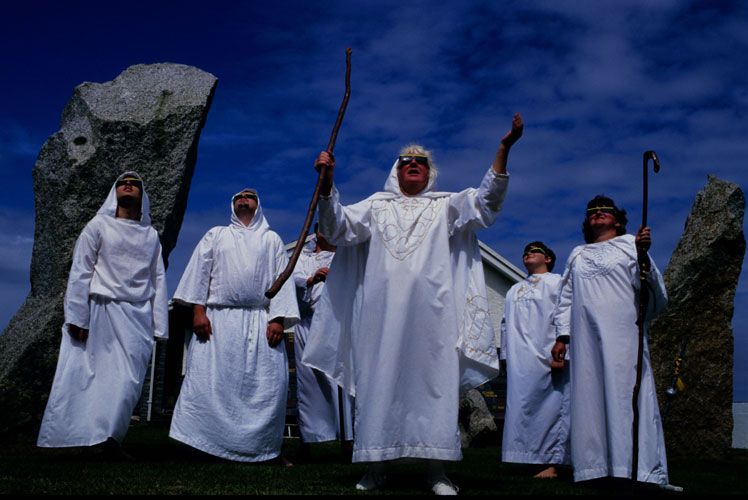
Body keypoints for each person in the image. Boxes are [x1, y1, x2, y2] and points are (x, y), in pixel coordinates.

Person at [303, 113, 524, 495]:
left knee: (432, 384)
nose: (414, 166)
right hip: (381, 313)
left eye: (421, 162)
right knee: (378, 381)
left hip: (433, 313)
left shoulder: (445, 205)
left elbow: (485, 205)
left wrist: (504, 148)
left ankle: (437, 470)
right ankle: (375, 465)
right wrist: (327, 185)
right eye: (407, 162)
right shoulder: (375, 205)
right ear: (396, 171)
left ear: (430, 173)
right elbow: (337, 228)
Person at [37, 172, 169, 457]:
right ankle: (74, 439)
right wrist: (77, 316)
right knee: (87, 376)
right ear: (115, 191)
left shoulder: (150, 236)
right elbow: (81, 271)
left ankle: (109, 439)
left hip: (137, 315)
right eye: (123, 182)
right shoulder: (98, 226)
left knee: (127, 381)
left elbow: (158, 279)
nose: (128, 184)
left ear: (143, 194)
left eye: (134, 182)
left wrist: (159, 326)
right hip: (100, 310)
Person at [169, 188, 300, 464]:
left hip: (259, 320)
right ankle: (202, 445)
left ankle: (265, 449)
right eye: (239, 197)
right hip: (218, 321)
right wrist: (198, 310)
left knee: (267, 385)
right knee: (208, 382)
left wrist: (277, 318)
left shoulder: (272, 240)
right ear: (232, 205)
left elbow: (282, 278)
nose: (244, 199)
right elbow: (199, 273)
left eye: (250, 196)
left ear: (258, 205)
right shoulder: (216, 235)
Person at [551, 195, 669, 485]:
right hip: (586, 338)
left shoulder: (631, 244)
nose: (597, 213)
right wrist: (562, 336)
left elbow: (654, 293)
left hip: (622, 334)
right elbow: (565, 298)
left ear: (617, 220)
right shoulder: (578, 254)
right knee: (589, 397)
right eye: (592, 211)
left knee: (625, 395)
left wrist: (643, 255)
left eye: (605, 210)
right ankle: (594, 467)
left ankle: (636, 468)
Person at [500, 241, 570, 478]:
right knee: (523, 408)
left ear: (548, 258)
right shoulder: (514, 289)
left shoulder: (558, 282)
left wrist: (564, 348)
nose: (527, 254)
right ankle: (527, 458)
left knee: (550, 408)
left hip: (547, 353)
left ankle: (552, 463)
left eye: (534, 251)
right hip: (521, 359)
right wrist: (506, 355)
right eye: (525, 252)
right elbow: (504, 325)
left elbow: (566, 315)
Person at [292, 223, 354, 460]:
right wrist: (310, 278)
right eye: (319, 227)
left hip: (336, 324)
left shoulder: (344, 257)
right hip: (307, 324)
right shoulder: (303, 258)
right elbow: (292, 278)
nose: (323, 231)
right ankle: (307, 441)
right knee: (307, 383)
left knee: (339, 382)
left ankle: (346, 441)